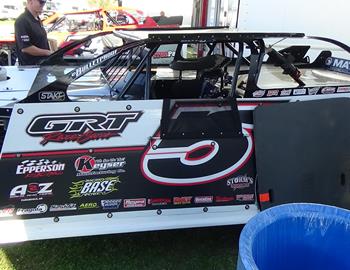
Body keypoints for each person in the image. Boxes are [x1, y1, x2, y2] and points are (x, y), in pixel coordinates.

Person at [14, 0, 52, 65]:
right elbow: (26, 48)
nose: (43, 4)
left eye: (44, 2)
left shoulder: (37, 19)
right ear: (30, 1)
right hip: (30, 68)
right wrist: (48, 52)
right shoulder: (22, 21)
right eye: (41, 2)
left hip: (42, 65)